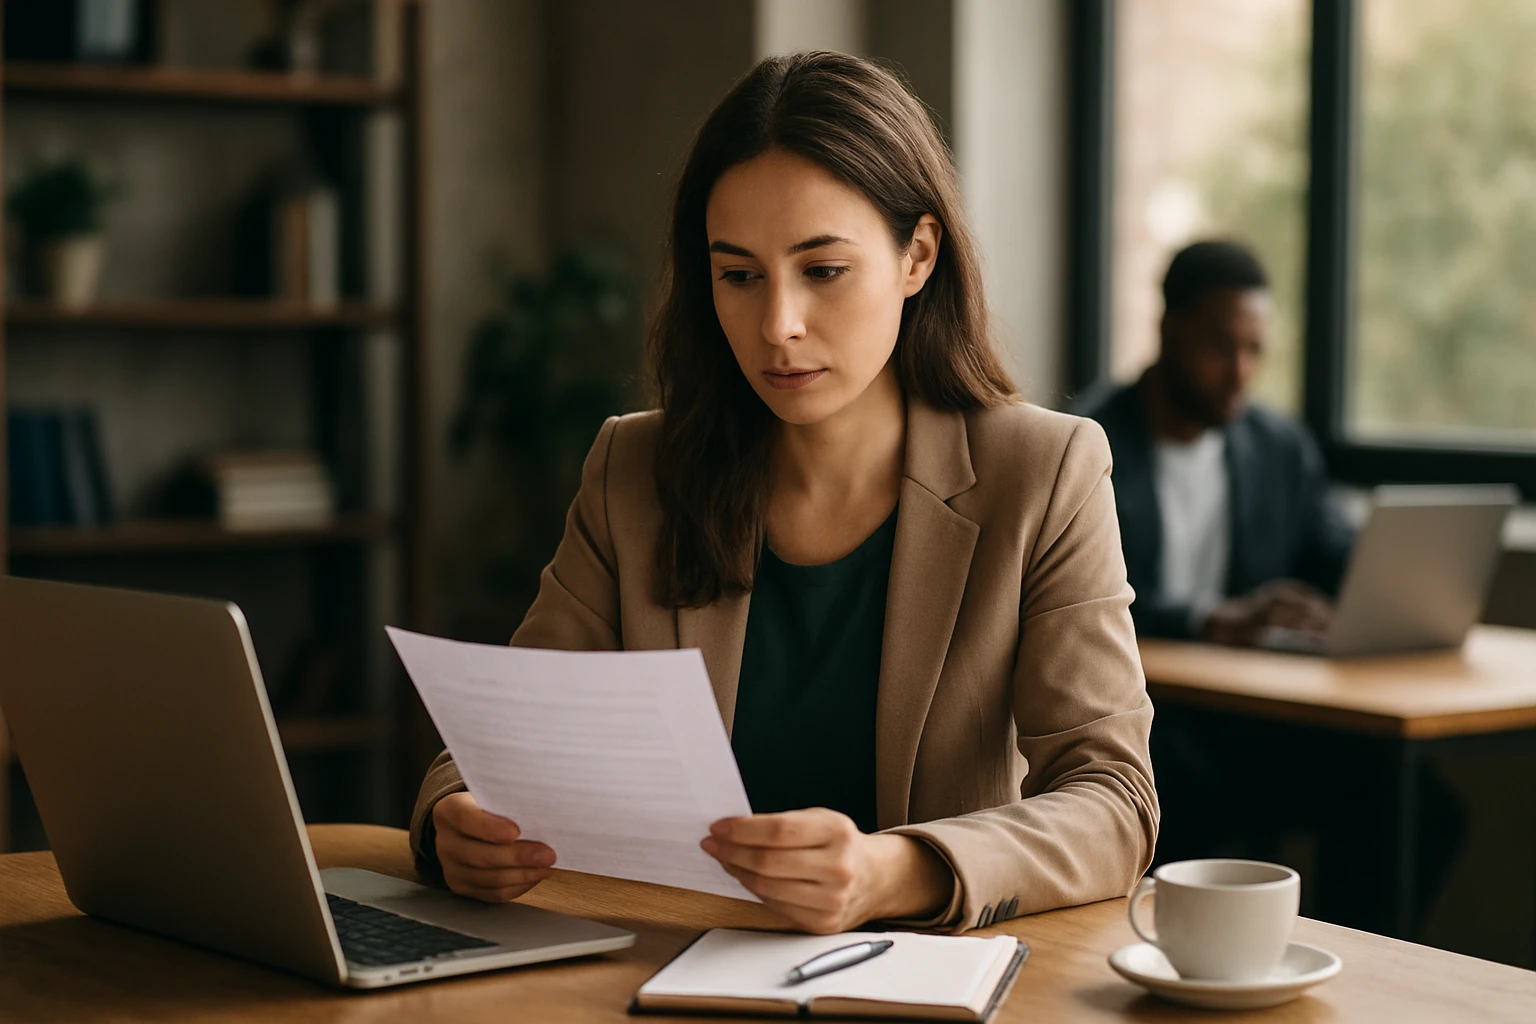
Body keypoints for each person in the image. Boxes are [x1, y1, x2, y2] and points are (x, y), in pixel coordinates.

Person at [408, 52, 1158, 936]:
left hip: (916, 977)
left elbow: (1114, 800)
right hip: (661, 963)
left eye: (823, 270)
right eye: (740, 275)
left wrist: (896, 870)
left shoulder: (1043, 470)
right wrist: (453, 818)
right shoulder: (635, 469)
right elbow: (506, 743)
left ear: (917, 255)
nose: (778, 326)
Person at [1076, 240, 1354, 646]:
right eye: (1221, 346)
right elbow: (1079, 602)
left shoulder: (1281, 451)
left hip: (1242, 683)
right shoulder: (1086, 446)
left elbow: (1339, 558)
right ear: (1169, 329)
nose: (1240, 372)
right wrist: (1205, 621)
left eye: (1254, 349)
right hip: (1126, 678)